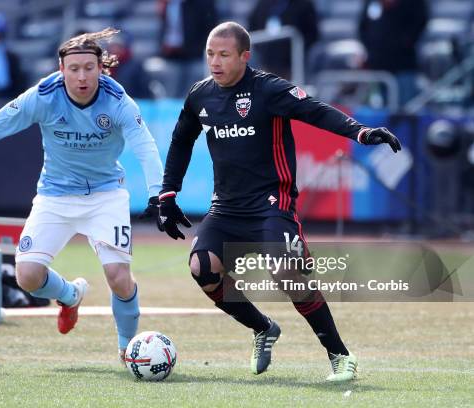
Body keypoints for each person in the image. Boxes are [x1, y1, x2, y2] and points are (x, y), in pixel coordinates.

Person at [157, 22, 401, 381]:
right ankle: (263, 327)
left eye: (224, 54)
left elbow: (316, 110)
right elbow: (181, 141)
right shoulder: (200, 95)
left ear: (244, 56)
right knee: (202, 269)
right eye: (210, 54)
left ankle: (340, 355)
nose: (215, 62)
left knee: (287, 272)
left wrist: (360, 132)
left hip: (272, 202)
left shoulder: (268, 89)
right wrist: (167, 193)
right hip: (226, 207)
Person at [0, 28, 164, 362]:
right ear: (62, 70)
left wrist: (158, 194)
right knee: (27, 277)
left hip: (105, 194)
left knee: (119, 278)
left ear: (101, 68)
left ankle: (127, 349)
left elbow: (145, 146)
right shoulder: (44, 96)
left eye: (89, 68)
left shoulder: (118, 100)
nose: (81, 76)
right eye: (73, 69)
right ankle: (70, 294)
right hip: (55, 195)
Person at [358, 0, 429, 104]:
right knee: (380, 108)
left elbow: (419, 22)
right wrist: (371, 49)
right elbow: (363, 27)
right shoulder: (372, 3)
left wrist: (402, 43)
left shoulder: (413, 3)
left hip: (403, 63)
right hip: (378, 64)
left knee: (405, 109)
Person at [247, 0, 319, 80]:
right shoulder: (262, 5)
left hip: (293, 63)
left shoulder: (303, 4)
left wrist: (297, 51)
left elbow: (312, 34)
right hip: (267, 61)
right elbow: (253, 28)